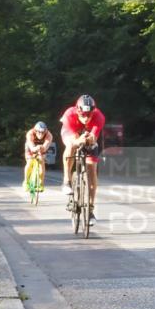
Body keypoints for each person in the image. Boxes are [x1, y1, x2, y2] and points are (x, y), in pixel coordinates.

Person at [60, 94, 105, 225]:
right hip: (71, 133)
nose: (85, 118)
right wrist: (79, 140)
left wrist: (89, 138)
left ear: (93, 112)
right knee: (71, 146)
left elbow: (93, 137)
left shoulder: (99, 116)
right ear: (78, 111)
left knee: (92, 171)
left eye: (88, 115)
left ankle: (90, 210)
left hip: (88, 136)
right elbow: (74, 138)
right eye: (83, 115)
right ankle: (67, 180)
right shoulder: (69, 114)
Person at [23, 121, 53, 194]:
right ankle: (26, 181)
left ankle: (41, 183)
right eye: (39, 132)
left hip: (42, 147)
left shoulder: (49, 135)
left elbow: (45, 147)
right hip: (31, 147)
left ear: (45, 131)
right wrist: (35, 149)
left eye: (43, 132)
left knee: (41, 161)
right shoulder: (30, 133)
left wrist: (41, 150)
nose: (41, 134)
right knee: (30, 162)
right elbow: (32, 147)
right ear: (35, 131)